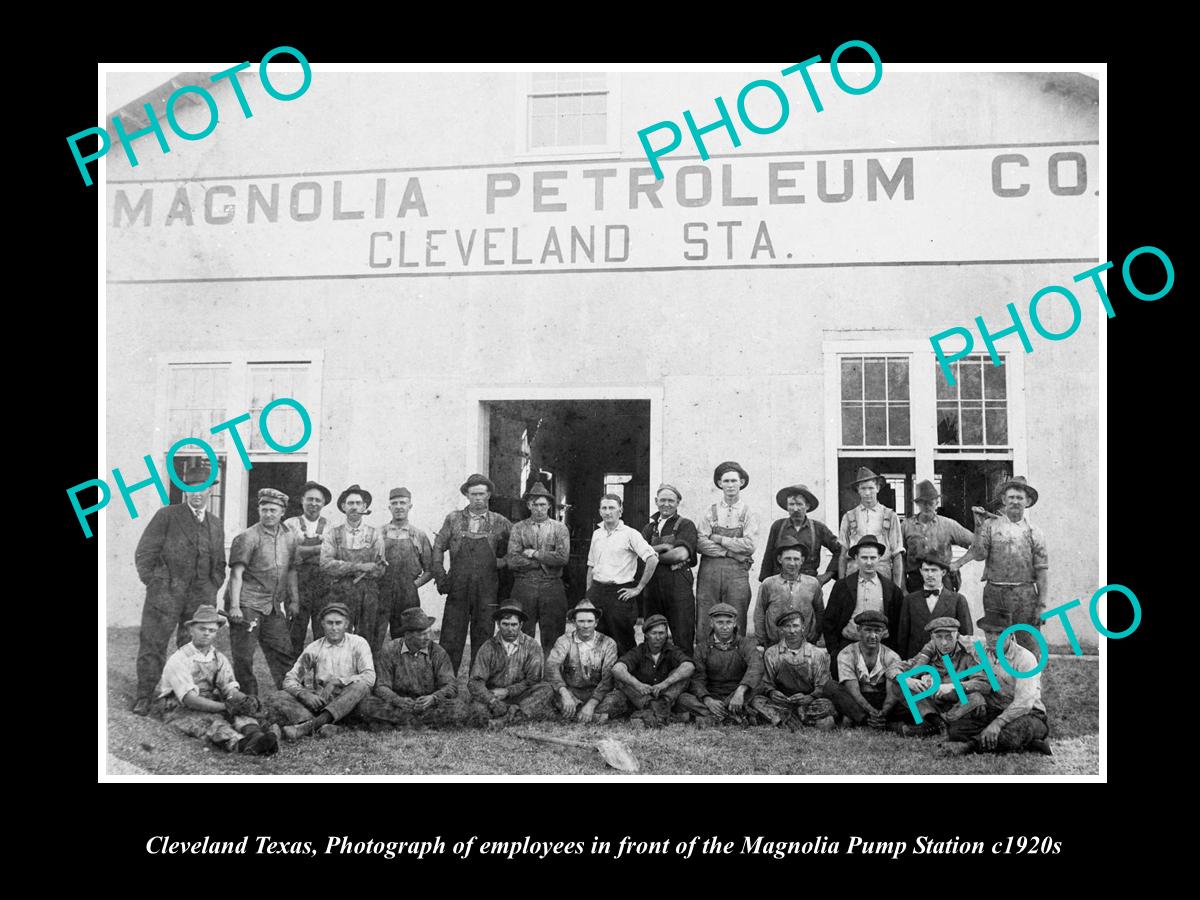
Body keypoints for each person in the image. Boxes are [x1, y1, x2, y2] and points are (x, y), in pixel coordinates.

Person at [132, 465, 227, 716]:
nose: (197, 493)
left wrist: (212, 584)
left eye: (202, 488)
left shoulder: (215, 524)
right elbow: (145, 553)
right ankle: (144, 695)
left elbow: (220, 563)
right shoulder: (167, 515)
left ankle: (186, 693)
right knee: (154, 642)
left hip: (199, 597)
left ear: (210, 490)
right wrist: (156, 583)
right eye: (191, 488)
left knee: (192, 646)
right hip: (165, 593)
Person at [152, 605, 278, 755]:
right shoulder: (179, 659)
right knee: (212, 723)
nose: (206, 634)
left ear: (216, 633)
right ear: (191, 630)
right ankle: (242, 744)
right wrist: (225, 707)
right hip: (180, 709)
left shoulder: (218, 658)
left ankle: (256, 736)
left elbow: (229, 689)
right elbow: (189, 699)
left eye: (211, 630)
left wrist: (245, 700)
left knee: (241, 712)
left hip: (212, 702)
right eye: (202, 629)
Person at [949, 476, 1049, 662]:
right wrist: (978, 526)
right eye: (1011, 497)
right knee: (996, 643)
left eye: (1020, 498)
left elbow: (1042, 571)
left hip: (1025, 595)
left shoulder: (1035, 532)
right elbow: (979, 554)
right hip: (995, 593)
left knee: (1027, 643)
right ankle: (998, 687)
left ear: (1027, 502)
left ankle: (1030, 687)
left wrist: (1041, 606)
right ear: (1004, 500)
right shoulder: (990, 525)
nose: (1015, 501)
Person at [941, 609, 1053, 756]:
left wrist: (997, 723)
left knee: (1012, 733)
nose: (993, 638)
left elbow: (1024, 703)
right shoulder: (982, 649)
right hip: (995, 709)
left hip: (1029, 714)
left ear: (1011, 635)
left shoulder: (1025, 659)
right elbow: (958, 638)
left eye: (999, 633)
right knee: (956, 730)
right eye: (989, 633)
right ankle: (1031, 743)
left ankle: (969, 747)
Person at [432, 474, 512, 674]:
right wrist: (440, 575)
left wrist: (500, 562)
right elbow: (438, 546)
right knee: (451, 635)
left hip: (487, 590)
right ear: (467, 495)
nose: (478, 498)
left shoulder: (500, 522)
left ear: (488, 495)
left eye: (481, 494)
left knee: (484, 635)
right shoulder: (453, 519)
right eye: (473, 494)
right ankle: (446, 681)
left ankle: (479, 681)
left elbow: (516, 549)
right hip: (458, 587)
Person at [226, 488, 300, 697]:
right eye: (264, 509)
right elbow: (236, 574)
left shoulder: (290, 537)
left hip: (273, 606)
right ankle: (249, 700)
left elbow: (292, 569)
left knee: (283, 652)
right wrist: (235, 606)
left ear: (282, 511)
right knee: (244, 657)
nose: (268, 514)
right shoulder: (247, 537)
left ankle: (290, 697)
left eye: (273, 510)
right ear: (258, 509)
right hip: (247, 604)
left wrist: (294, 600)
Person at [268, 602, 376, 741]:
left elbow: (370, 677)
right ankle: (327, 725)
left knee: (360, 686)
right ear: (322, 624)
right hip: (323, 702)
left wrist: (336, 682)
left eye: (338, 623)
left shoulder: (358, 643)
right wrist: (303, 694)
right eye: (330, 623)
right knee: (279, 696)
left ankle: (307, 727)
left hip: (352, 700)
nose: (334, 628)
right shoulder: (314, 648)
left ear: (347, 624)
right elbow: (289, 679)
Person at [356, 608, 477, 728]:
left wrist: (433, 698)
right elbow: (381, 686)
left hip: (429, 705)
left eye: (429, 632)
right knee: (366, 705)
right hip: (397, 704)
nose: (428, 637)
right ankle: (417, 722)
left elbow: (450, 685)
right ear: (408, 635)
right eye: (422, 634)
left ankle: (401, 722)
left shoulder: (437, 652)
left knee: (459, 707)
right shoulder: (389, 650)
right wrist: (398, 700)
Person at [585, 494, 659, 656]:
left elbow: (652, 559)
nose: (607, 512)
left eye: (612, 507)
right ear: (599, 511)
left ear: (621, 510)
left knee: (622, 640)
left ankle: (626, 678)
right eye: (604, 508)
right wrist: (588, 594)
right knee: (596, 640)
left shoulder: (630, 534)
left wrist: (638, 588)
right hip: (597, 592)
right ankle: (602, 678)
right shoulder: (597, 534)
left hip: (620, 594)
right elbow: (591, 565)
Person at [506, 482, 570, 658]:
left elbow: (562, 558)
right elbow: (512, 560)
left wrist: (533, 554)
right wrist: (543, 561)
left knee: (554, 634)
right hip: (524, 585)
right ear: (529, 505)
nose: (539, 509)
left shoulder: (559, 528)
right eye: (535, 504)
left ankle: (551, 674)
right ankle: (524, 673)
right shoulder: (518, 528)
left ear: (549, 505)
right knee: (522, 633)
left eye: (543, 504)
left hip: (552, 586)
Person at [751, 609, 845, 730]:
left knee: (827, 706)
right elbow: (766, 682)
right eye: (787, 626)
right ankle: (794, 718)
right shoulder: (771, 653)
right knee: (756, 701)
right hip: (782, 702)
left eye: (795, 626)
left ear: (803, 627)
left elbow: (822, 685)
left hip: (807, 701)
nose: (792, 631)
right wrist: (772, 693)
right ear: (781, 629)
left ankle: (782, 719)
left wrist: (809, 697)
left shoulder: (816, 653)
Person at [896, 617, 990, 737]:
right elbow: (894, 668)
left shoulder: (967, 655)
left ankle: (935, 725)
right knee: (901, 682)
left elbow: (984, 683)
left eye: (949, 637)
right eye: (939, 637)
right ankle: (937, 722)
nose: (944, 643)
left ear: (957, 636)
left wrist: (953, 686)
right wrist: (908, 680)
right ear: (932, 638)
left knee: (976, 698)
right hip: (932, 703)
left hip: (956, 705)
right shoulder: (928, 653)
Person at [823, 534, 905, 673]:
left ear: (879, 558)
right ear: (856, 559)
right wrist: (834, 650)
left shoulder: (891, 589)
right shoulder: (842, 586)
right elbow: (829, 621)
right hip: (848, 645)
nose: (869, 562)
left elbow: (898, 624)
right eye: (864, 557)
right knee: (846, 689)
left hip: (880, 647)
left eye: (873, 557)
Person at [696, 461, 760, 636]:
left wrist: (719, 538)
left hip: (737, 573)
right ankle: (704, 658)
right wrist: (730, 551)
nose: (730, 485)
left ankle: (737, 659)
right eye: (726, 481)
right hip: (710, 572)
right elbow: (700, 542)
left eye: (734, 481)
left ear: (741, 482)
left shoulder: (748, 512)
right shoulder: (710, 511)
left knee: (736, 614)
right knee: (705, 616)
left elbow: (749, 545)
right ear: (719, 484)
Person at [320, 484, 386, 654]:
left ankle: (366, 677)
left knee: (367, 637)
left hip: (368, 591)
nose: (354, 507)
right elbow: (326, 564)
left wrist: (374, 568)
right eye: (350, 503)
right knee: (338, 635)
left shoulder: (375, 534)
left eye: (358, 503)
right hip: (341, 590)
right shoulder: (333, 534)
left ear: (364, 507)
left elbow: (380, 568)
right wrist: (358, 567)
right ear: (343, 507)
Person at [676, 602, 764, 725]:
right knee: (683, 699)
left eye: (728, 622)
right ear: (712, 624)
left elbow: (756, 666)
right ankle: (735, 716)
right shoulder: (702, 648)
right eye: (720, 623)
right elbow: (697, 679)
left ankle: (716, 717)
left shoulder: (745, 644)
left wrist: (740, 692)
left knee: (758, 688)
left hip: (739, 694)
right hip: (714, 695)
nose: (724, 627)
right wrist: (707, 700)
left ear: (734, 624)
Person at [467, 604, 554, 725]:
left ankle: (506, 719)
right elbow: (475, 681)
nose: (510, 629)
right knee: (477, 711)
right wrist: (492, 700)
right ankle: (518, 715)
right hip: (494, 696)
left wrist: (508, 691)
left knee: (546, 690)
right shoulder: (488, 647)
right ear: (498, 624)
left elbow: (533, 680)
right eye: (505, 624)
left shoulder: (532, 645)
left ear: (521, 625)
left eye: (514, 624)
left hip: (521, 695)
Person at [640, 484, 699, 655]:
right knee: (652, 633)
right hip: (652, 586)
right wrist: (664, 547)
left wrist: (652, 554)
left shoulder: (686, 525)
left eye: (671, 500)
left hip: (678, 583)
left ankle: (685, 674)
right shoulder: (649, 528)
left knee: (682, 634)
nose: (666, 504)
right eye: (662, 500)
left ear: (678, 502)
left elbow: (679, 555)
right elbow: (637, 554)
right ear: (656, 501)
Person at [609, 614, 695, 727]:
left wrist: (665, 683)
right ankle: (658, 712)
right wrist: (638, 684)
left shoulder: (672, 650)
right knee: (623, 679)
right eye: (654, 633)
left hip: (666, 696)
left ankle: (655, 712)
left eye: (661, 633)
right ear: (646, 635)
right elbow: (617, 668)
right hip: (643, 696)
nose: (658, 637)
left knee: (683, 674)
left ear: (666, 634)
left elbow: (689, 666)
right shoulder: (638, 651)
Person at [543, 600, 620, 723]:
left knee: (619, 698)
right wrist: (565, 694)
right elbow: (552, 666)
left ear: (596, 622)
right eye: (581, 621)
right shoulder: (564, 640)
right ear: (574, 622)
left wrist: (592, 703)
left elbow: (608, 678)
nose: (585, 625)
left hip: (598, 693)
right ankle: (593, 717)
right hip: (572, 692)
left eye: (590, 621)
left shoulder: (608, 643)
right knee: (546, 691)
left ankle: (574, 714)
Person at [378, 487, 434, 649]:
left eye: (403, 503)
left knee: (407, 638)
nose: (399, 506)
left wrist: (413, 586)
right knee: (375, 636)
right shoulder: (379, 533)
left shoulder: (418, 535)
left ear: (410, 506)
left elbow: (429, 570)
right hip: (381, 591)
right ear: (389, 507)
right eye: (394, 503)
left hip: (408, 595)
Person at [284, 480, 333, 662]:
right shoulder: (290, 524)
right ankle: (292, 676)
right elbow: (289, 554)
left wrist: (303, 550)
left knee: (323, 632)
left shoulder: (330, 527)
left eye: (318, 500)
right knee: (295, 631)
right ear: (302, 500)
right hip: (296, 584)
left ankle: (321, 676)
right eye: (310, 499)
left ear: (323, 503)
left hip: (322, 586)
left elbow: (330, 555)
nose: (313, 504)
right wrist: (317, 549)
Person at [896, 550, 973, 659]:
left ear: (943, 573)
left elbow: (966, 637)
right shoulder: (909, 600)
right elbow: (902, 639)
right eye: (926, 570)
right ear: (920, 572)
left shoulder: (958, 600)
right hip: (917, 662)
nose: (930, 575)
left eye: (934, 570)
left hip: (947, 663)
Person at [836, 610, 907, 728]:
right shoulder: (846, 653)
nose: (873, 636)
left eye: (877, 631)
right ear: (858, 630)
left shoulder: (892, 656)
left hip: (882, 698)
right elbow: (854, 691)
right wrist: (870, 710)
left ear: (884, 633)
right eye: (868, 630)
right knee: (830, 687)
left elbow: (892, 692)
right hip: (858, 698)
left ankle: (865, 719)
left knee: (908, 697)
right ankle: (868, 720)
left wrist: (884, 710)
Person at [901, 480, 974, 593]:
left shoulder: (948, 525)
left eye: (930, 502)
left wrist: (957, 564)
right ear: (917, 504)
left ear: (937, 502)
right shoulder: (906, 526)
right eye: (922, 502)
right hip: (915, 582)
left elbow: (978, 544)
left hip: (943, 581)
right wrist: (903, 587)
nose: (926, 506)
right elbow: (900, 558)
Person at [760, 483, 840, 585]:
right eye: (791, 504)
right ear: (787, 506)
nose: (795, 509)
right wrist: (766, 583)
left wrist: (826, 576)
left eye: (799, 504)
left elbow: (839, 550)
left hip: (808, 584)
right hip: (780, 583)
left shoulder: (818, 528)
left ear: (807, 506)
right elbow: (768, 556)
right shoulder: (778, 526)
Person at [753, 534, 824, 648]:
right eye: (788, 558)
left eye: (796, 559)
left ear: (802, 560)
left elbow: (819, 611)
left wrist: (815, 635)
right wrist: (762, 640)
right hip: (775, 644)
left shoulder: (812, 584)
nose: (792, 563)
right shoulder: (768, 584)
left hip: (805, 644)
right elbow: (759, 613)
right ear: (780, 559)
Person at [837, 467, 904, 586]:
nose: (867, 493)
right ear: (858, 490)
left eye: (871, 488)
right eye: (863, 488)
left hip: (883, 572)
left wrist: (897, 588)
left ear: (877, 488)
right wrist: (841, 585)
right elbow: (843, 555)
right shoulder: (849, 517)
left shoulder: (890, 516)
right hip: (854, 572)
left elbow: (897, 554)